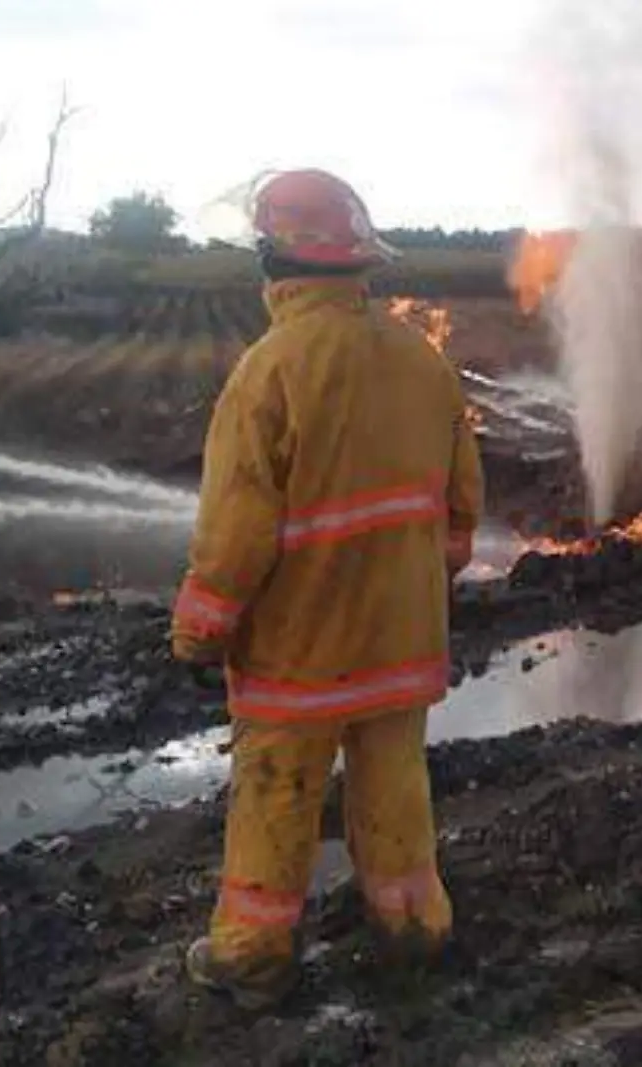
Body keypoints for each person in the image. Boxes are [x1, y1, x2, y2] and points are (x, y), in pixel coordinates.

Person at [170, 168, 485, 1009]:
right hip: (401, 643)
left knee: (276, 796)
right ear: (357, 265)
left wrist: (201, 629)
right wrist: (418, 583)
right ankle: (414, 929)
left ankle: (252, 954)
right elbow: (461, 510)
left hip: (298, 652)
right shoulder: (423, 360)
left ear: (274, 261)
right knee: (395, 791)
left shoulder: (268, 371)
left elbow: (236, 531)